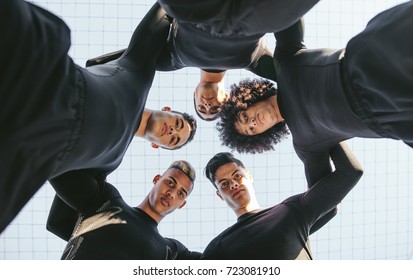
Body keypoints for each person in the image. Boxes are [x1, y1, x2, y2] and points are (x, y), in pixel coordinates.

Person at [0, 1, 196, 233]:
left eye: (174, 140)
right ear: (167, 108)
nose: (172, 131)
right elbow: (163, 11)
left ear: (157, 145)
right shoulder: (140, 71)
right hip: (41, 75)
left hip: (21, 151)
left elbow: (61, 224)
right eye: (177, 123)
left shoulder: (109, 163)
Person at [217, 1, 413, 189]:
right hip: (389, 118)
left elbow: (285, 10)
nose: (252, 123)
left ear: (248, 101)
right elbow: (319, 198)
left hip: (368, 60)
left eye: (244, 117)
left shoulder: (286, 61)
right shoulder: (306, 146)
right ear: (260, 136)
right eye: (250, 130)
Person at [202, 142, 363, 259]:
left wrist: (322, 127)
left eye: (237, 176)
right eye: (224, 184)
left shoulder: (290, 211)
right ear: (219, 195)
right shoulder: (218, 247)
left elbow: (350, 172)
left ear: (249, 176)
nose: (234, 184)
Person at [46, 160, 201, 260]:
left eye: (181, 193)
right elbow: (58, 165)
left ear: (181, 204)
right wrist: (98, 170)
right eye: (170, 183)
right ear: (156, 179)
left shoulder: (171, 252)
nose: (172, 193)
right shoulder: (107, 200)